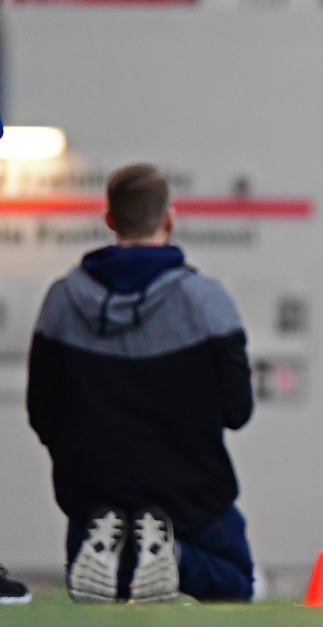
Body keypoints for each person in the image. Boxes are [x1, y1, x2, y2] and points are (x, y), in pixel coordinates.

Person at [27, 163, 256, 603]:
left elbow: (42, 413)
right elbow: (237, 410)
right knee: (235, 580)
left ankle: (114, 557)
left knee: (107, 564)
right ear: (168, 220)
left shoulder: (61, 300)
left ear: (110, 220)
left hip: (93, 497)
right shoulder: (207, 302)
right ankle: (173, 554)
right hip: (191, 496)